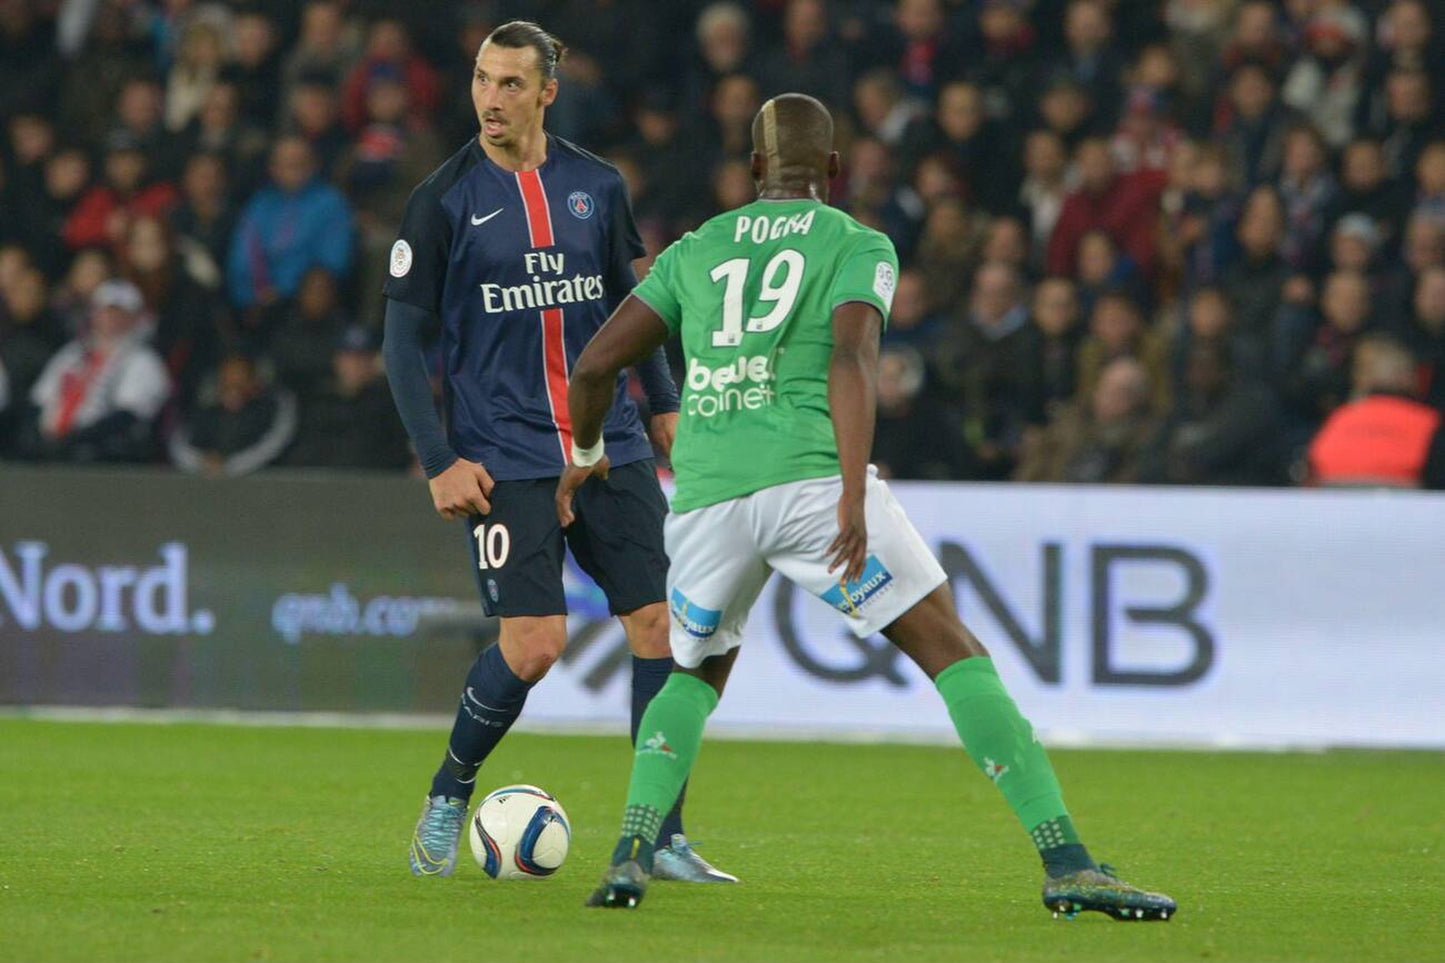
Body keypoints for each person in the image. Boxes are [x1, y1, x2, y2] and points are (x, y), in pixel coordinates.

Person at [556, 92, 1175, 920]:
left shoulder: (694, 250)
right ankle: (1066, 861)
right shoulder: (856, 241)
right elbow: (852, 354)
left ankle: (632, 848)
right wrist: (851, 489)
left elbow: (595, 366)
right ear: (835, 171)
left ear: (751, 171)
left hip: (705, 496)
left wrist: (588, 455)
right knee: (952, 650)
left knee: (692, 672)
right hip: (810, 479)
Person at [380, 21, 730, 884]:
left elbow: (633, 306)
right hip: (503, 454)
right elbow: (399, 342)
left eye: (509, 84)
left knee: (660, 628)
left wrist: (664, 406)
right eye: (481, 80)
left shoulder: (595, 186)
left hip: (607, 443)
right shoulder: (443, 198)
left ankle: (661, 834)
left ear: (546, 92)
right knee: (535, 644)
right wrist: (438, 460)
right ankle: (449, 788)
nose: (490, 99)